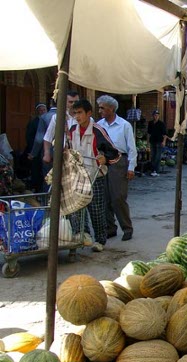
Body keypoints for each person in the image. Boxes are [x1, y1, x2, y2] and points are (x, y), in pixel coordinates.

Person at [69, 99, 121, 252]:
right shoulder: (72, 130)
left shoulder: (98, 131)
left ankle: (100, 240)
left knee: (96, 209)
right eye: (75, 113)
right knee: (77, 207)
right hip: (78, 176)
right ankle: (83, 235)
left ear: (88, 113)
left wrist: (105, 159)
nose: (77, 116)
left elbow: (115, 153)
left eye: (80, 113)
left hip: (95, 176)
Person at [96, 95, 137, 242]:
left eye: (102, 108)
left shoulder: (124, 125)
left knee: (118, 197)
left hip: (120, 161)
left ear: (111, 109)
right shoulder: (99, 125)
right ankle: (110, 228)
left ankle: (127, 228)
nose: (100, 110)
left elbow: (132, 148)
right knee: (105, 197)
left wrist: (131, 167)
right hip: (103, 161)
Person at [25, 102, 47, 191]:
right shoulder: (33, 123)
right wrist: (33, 151)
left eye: (43, 110)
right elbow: (30, 137)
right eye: (40, 110)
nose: (42, 112)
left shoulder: (49, 119)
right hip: (36, 152)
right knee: (37, 171)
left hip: (46, 151)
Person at [147, 110, 167, 177]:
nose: (156, 116)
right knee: (152, 156)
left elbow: (165, 134)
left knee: (158, 157)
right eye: (155, 115)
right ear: (153, 116)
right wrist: (147, 142)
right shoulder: (150, 123)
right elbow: (148, 133)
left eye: (157, 115)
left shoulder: (161, 124)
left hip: (159, 142)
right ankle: (153, 170)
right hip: (152, 141)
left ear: (158, 116)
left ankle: (156, 170)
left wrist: (164, 141)